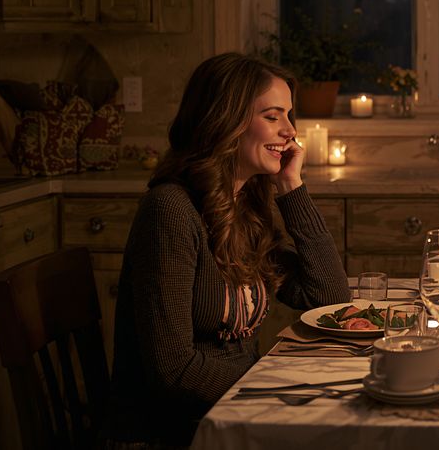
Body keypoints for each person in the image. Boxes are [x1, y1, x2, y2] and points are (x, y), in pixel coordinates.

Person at [100, 53, 352, 448]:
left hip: (234, 411)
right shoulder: (170, 211)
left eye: (289, 115)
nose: (290, 131)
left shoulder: (243, 208)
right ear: (226, 120)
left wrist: (292, 188)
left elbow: (329, 297)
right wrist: (271, 385)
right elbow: (174, 370)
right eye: (273, 116)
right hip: (173, 431)